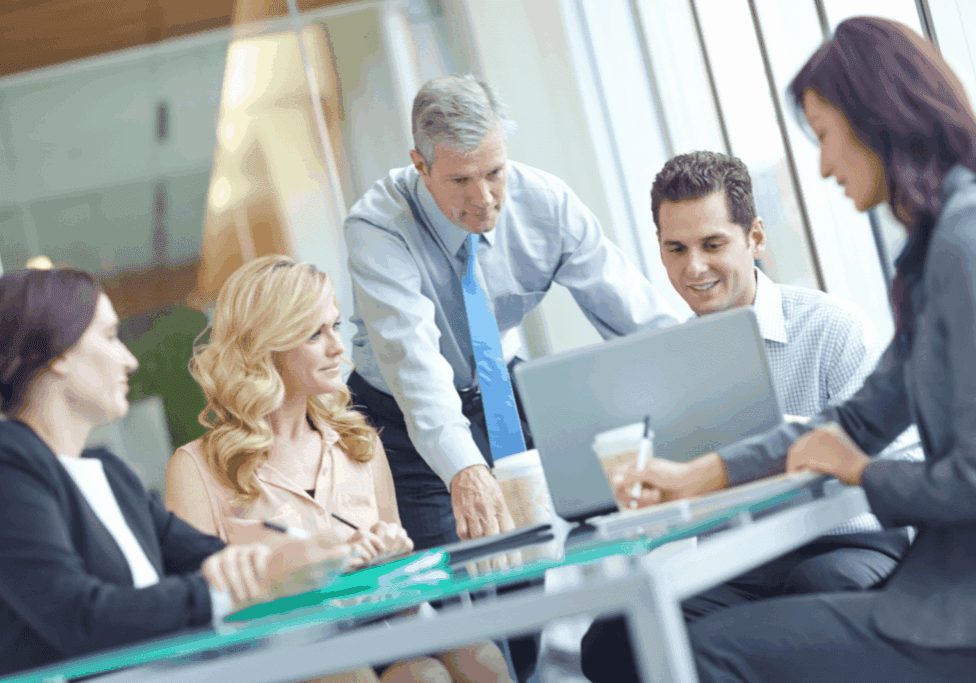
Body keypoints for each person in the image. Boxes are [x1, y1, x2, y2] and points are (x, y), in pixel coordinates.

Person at [610, 17, 976, 682]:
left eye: (825, 135)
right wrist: (701, 474)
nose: (824, 163)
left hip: (955, 605)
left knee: (703, 651)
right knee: (644, 640)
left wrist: (860, 472)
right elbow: (859, 421)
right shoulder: (931, 254)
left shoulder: (963, 243)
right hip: (939, 588)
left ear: (878, 121)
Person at [580, 150, 923, 682]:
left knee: (814, 597)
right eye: (676, 249)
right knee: (613, 640)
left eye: (712, 244)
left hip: (844, 544)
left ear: (755, 237)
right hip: (738, 557)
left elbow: (903, 458)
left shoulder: (832, 327)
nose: (693, 267)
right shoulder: (667, 360)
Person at [344, 73, 679, 551]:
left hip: (499, 388)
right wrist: (465, 469)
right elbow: (414, 363)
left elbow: (640, 319)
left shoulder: (547, 205)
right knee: (467, 570)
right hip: (401, 418)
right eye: (460, 180)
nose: (483, 198)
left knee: (557, 542)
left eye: (495, 172)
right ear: (420, 164)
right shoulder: (377, 228)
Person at [0, 267, 366, 678]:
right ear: (59, 351)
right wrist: (249, 580)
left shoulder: (109, 474)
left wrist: (310, 552)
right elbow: (78, 616)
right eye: (109, 336)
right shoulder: (9, 468)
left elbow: (206, 554)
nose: (129, 359)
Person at [166, 255, 513, 683]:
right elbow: (201, 612)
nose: (337, 347)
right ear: (266, 347)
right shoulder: (196, 468)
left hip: (383, 626)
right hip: (286, 653)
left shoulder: (359, 441)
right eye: (315, 333)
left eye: (335, 326)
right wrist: (290, 572)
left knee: (481, 659)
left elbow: (399, 575)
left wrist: (390, 550)